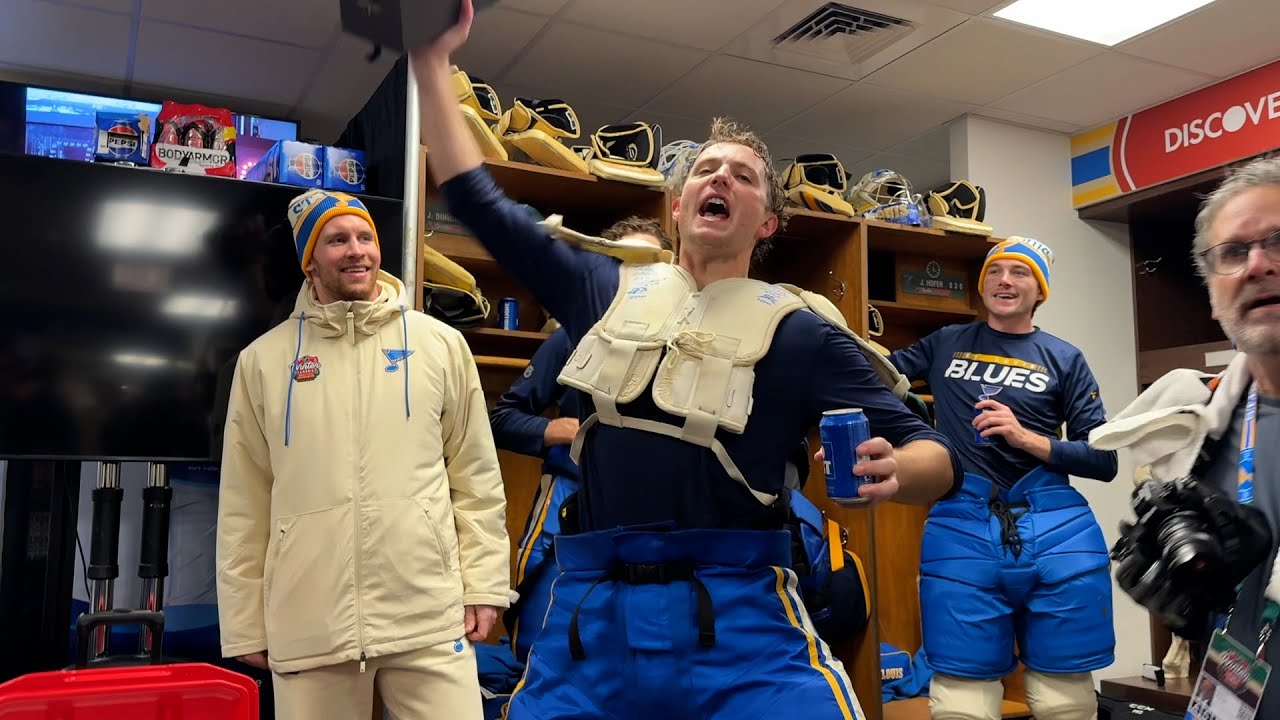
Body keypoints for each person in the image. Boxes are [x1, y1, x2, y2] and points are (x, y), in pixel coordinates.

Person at [411, 4, 962, 718]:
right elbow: (480, 203)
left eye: (743, 175)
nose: (721, 179)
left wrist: (901, 469)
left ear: (765, 221)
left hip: (743, 623)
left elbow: (936, 453)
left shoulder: (800, 334)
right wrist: (429, 64)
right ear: (676, 206)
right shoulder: (601, 291)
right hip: (590, 619)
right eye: (706, 170)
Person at [216, 189, 511, 720]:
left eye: (365, 237)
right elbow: (244, 501)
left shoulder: (441, 345)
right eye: (336, 240)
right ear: (310, 260)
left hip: (426, 614)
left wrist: (485, 584)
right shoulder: (262, 362)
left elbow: (476, 477)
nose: (356, 251)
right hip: (310, 623)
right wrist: (243, 621)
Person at [886, 236, 1119, 720]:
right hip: (962, 524)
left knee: (1066, 699)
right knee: (962, 699)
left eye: (1020, 273)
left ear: (1039, 292)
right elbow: (873, 375)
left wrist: (1026, 438)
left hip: (1058, 528)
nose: (1004, 281)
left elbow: (1104, 460)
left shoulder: (1064, 357)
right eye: (995, 271)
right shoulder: (946, 342)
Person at [1091, 156, 1280, 720]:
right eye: (1233, 252)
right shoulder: (1203, 428)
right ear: (1212, 288)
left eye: (1277, 240)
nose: (1258, 265)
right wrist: (1189, 606)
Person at [490, 217, 671, 664]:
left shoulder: (685, 342)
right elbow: (503, 417)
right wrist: (557, 430)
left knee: (641, 653)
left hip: (654, 517)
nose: (637, 277)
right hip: (570, 507)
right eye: (623, 264)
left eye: (648, 264)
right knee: (546, 643)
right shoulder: (575, 333)